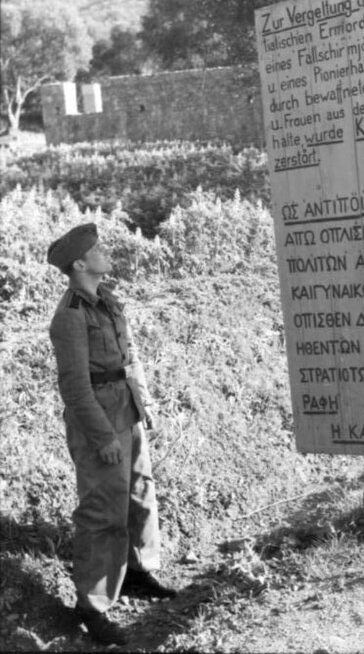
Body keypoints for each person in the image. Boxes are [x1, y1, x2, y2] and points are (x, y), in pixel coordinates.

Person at [47, 222, 176, 646]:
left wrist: (146, 405)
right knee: (103, 510)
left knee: (140, 491)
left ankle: (138, 573)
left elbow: (130, 356)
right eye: (98, 250)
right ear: (80, 264)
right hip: (98, 418)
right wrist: (102, 437)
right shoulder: (70, 317)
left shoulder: (108, 300)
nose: (106, 252)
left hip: (126, 407)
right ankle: (93, 606)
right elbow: (76, 388)